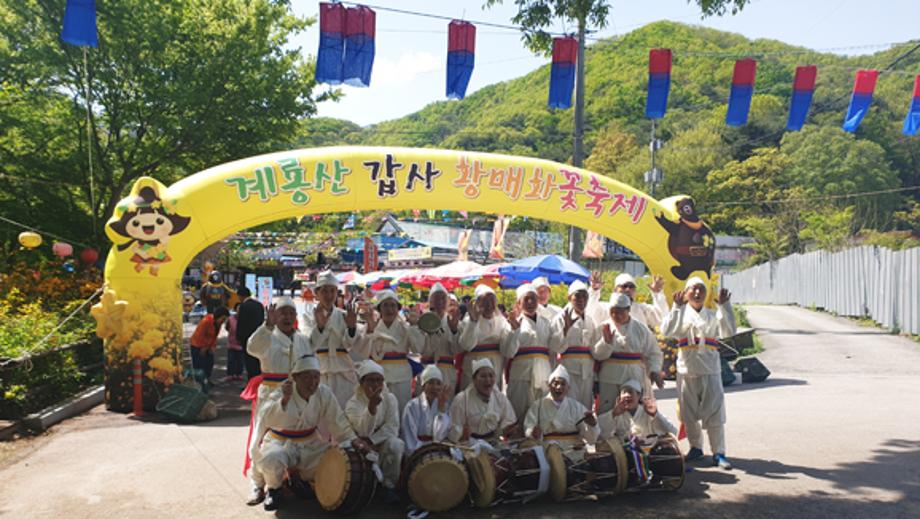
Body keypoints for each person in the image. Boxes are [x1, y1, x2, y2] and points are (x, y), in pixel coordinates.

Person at [249, 354, 368, 511]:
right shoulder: (281, 391)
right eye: (306, 377)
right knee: (272, 458)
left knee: (332, 460)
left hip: (310, 442)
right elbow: (267, 418)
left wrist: (353, 439)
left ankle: (299, 481)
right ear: (295, 377)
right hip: (280, 441)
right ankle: (274, 490)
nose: (312, 382)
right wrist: (284, 401)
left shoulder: (323, 393)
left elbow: (337, 420)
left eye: (316, 377)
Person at [242, 296, 315, 499]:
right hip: (270, 393)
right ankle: (257, 483)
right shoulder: (268, 335)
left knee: (295, 436)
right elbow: (252, 348)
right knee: (261, 439)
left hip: (297, 393)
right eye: (283, 313)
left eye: (291, 313)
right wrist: (267, 325)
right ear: (275, 315)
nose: (287, 317)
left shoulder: (302, 339)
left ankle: (292, 478)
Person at [661, 276, 736, 470]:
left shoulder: (712, 315)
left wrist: (725, 307)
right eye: (693, 289)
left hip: (710, 370)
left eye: (701, 289)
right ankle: (695, 447)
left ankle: (719, 452)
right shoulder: (680, 313)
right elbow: (667, 330)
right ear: (686, 293)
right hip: (686, 370)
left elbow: (728, 331)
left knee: (715, 412)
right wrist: (676, 308)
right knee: (688, 413)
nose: (697, 293)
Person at [354, 290, 424, 413]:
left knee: (401, 409)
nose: (389, 309)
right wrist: (370, 330)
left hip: (401, 376)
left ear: (398, 309)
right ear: (379, 309)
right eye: (385, 305)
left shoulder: (405, 328)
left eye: (393, 305)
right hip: (378, 376)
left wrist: (414, 326)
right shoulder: (372, 326)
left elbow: (418, 349)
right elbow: (362, 352)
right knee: (379, 411)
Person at [592, 294, 664, 413]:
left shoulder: (641, 329)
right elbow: (596, 355)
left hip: (634, 376)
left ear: (628, 310)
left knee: (634, 411)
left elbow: (654, 352)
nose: (616, 315)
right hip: (609, 376)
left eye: (620, 312)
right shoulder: (603, 327)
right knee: (608, 410)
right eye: (613, 312)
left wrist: (654, 370)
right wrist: (606, 343)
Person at [345, 360, 405, 502]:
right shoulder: (353, 403)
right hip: (360, 445)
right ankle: (366, 487)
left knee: (396, 444)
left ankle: (388, 486)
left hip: (379, 441)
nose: (376, 384)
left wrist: (372, 440)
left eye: (379, 380)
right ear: (362, 382)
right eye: (371, 380)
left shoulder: (390, 398)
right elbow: (363, 431)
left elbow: (393, 427)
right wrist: (371, 408)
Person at [505, 283, 563, 421]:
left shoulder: (547, 323)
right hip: (521, 375)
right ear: (519, 303)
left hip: (543, 374)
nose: (530, 302)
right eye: (526, 299)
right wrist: (515, 331)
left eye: (533, 298)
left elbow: (554, 350)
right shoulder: (513, 322)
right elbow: (509, 352)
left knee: (541, 415)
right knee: (519, 413)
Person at [308, 271, 360, 407]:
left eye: (332, 291)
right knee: (320, 412)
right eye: (324, 291)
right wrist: (320, 327)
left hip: (343, 371)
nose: (329, 295)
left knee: (344, 410)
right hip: (320, 371)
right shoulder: (308, 316)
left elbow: (350, 345)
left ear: (337, 293)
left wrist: (352, 328)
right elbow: (309, 345)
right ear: (317, 293)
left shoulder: (345, 315)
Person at [524, 365, 598, 458]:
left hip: (573, 452)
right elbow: (529, 426)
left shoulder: (577, 407)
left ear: (568, 387)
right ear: (549, 385)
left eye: (563, 384)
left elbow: (591, 439)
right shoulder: (537, 406)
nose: (558, 387)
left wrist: (592, 425)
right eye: (555, 383)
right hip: (546, 450)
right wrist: (532, 433)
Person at [448, 358, 517, 446]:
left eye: (491, 376)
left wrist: (507, 430)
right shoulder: (461, 399)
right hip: (468, 446)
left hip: (494, 445)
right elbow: (453, 429)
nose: (488, 380)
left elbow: (509, 421)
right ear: (474, 380)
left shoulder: (500, 398)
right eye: (483, 376)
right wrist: (462, 435)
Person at [457, 284, 513, 391]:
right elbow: (466, 345)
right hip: (472, 368)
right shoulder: (468, 320)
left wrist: (514, 331)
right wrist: (473, 322)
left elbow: (508, 351)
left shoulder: (502, 322)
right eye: (484, 301)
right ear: (477, 303)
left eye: (491, 300)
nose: (488, 305)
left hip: (495, 368)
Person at [553, 280, 599, 409]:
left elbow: (594, 348)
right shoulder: (560, 318)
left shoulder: (590, 320)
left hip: (587, 371)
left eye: (585, 296)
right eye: (577, 296)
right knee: (568, 405)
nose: (581, 300)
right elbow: (555, 347)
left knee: (586, 406)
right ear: (569, 298)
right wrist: (565, 331)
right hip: (568, 369)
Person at [597, 379, 676, 442]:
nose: (627, 395)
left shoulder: (647, 413)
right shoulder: (617, 414)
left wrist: (655, 414)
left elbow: (673, 432)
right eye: (624, 392)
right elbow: (599, 434)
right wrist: (613, 414)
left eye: (630, 392)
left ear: (639, 396)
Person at [418, 283, 461, 395]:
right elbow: (421, 349)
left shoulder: (453, 321)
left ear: (447, 301)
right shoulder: (424, 321)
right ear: (430, 301)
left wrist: (454, 330)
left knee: (446, 402)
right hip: (427, 370)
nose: (440, 301)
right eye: (436, 298)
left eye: (443, 298)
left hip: (447, 372)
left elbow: (456, 351)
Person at [588, 272, 669, 329]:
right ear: (615, 290)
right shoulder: (605, 308)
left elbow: (662, 319)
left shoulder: (642, 309)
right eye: (624, 286)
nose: (628, 289)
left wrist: (657, 294)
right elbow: (590, 313)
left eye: (631, 286)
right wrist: (594, 291)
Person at [401, 365, 452, 454]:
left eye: (438, 383)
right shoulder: (412, 406)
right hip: (417, 452)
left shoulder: (445, 406)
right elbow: (409, 439)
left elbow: (440, 437)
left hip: (438, 451)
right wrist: (426, 450)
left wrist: (441, 410)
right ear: (423, 386)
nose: (435, 387)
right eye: (431, 383)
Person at [189, 306, 229, 386]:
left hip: (208, 346)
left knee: (209, 363)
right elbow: (200, 335)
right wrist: (203, 348)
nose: (223, 321)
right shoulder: (206, 321)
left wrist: (212, 347)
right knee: (199, 365)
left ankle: (206, 380)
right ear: (218, 316)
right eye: (223, 319)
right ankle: (199, 383)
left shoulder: (218, 324)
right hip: (197, 345)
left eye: (225, 320)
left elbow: (214, 336)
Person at [235, 287, 265, 379]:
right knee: (258, 359)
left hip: (247, 338)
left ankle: (251, 380)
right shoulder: (259, 305)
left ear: (240, 296)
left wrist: (238, 337)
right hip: (259, 336)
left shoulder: (243, 306)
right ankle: (259, 379)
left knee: (249, 361)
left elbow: (241, 323)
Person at [224, 311, 245, 382]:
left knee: (240, 360)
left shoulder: (244, 319)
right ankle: (230, 374)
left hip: (240, 344)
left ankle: (239, 374)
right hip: (231, 343)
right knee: (231, 360)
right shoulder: (230, 319)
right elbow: (226, 328)